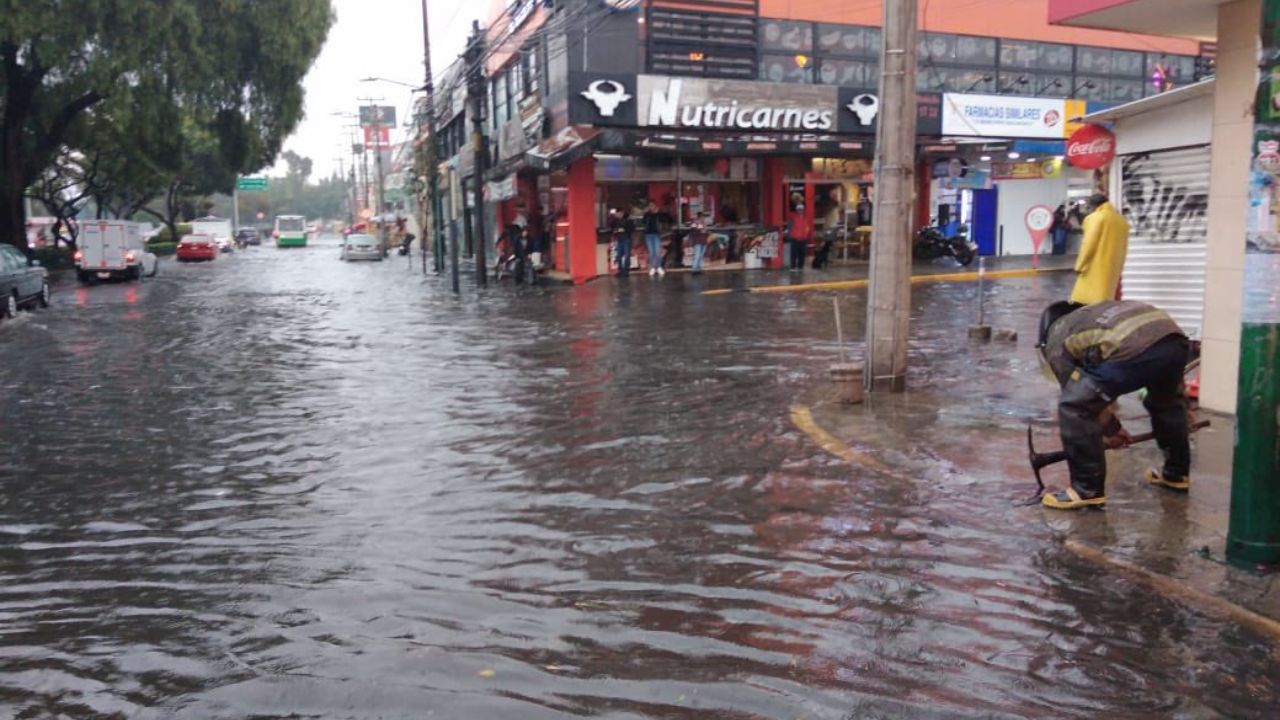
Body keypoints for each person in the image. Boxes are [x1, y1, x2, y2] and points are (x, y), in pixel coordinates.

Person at [1036, 300, 1192, 510]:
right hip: (1174, 342)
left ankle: (1086, 490)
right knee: (1166, 404)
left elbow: (1082, 400)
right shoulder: (1093, 316)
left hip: (1135, 348)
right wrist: (1113, 429)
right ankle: (1176, 474)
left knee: (1074, 407)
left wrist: (1111, 431)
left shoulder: (1057, 336)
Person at [1071, 193, 1129, 305]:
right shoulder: (1121, 220)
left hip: (1094, 269)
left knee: (1086, 304)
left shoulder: (1095, 218)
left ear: (1094, 206)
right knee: (1105, 303)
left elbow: (1088, 244)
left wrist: (1079, 265)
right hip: (1112, 270)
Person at [609, 208, 635, 277]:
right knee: (619, 256)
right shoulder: (615, 221)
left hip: (626, 239)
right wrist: (615, 231)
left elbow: (632, 229)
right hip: (620, 239)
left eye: (619, 213)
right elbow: (612, 228)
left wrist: (624, 230)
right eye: (617, 214)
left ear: (622, 213)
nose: (618, 215)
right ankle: (621, 270)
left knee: (626, 256)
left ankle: (625, 271)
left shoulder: (628, 220)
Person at [642, 201, 664, 277]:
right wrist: (645, 213)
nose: (651, 207)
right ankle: (653, 267)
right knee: (651, 252)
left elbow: (664, 220)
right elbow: (643, 222)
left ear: (655, 206)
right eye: (650, 205)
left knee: (657, 251)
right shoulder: (647, 214)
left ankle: (658, 266)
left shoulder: (658, 214)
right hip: (648, 234)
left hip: (657, 234)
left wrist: (658, 213)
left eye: (652, 205)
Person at [785, 204, 809, 271]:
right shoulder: (793, 217)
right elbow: (789, 227)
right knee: (794, 253)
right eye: (799, 209)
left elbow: (807, 227)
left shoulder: (805, 218)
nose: (800, 211)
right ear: (797, 210)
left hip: (803, 238)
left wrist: (806, 235)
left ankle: (800, 267)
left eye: (801, 209)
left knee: (802, 254)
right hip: (794, 238)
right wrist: (790, 236)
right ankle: (793, 266)